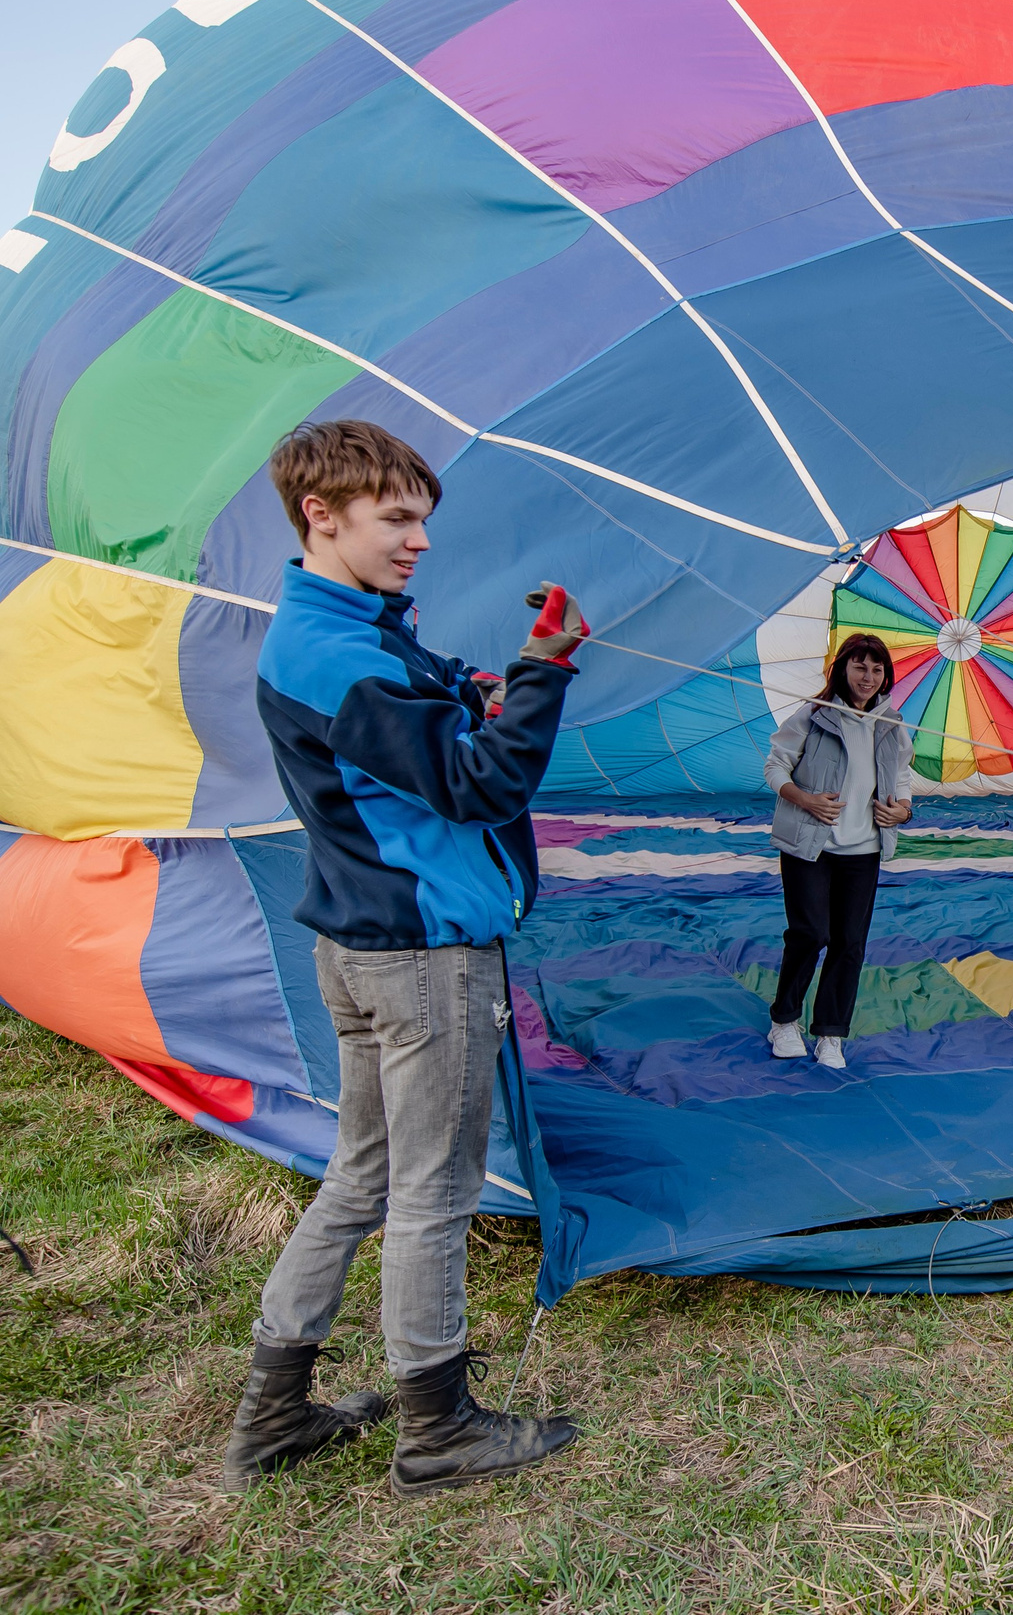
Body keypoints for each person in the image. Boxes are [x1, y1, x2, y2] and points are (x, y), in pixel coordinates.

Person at [230, 419, 583, 1496]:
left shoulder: (338, 629)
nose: (420, 538)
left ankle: (274, 1413)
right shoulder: (337, 656)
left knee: (362, 1178)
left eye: (424, 517)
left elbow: (414, 701)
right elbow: (480, 788)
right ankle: (437, 1430)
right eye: (396, 518)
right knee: (434, 1189)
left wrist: (474, 687)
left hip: (361, 949)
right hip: (424, 961)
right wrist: (538, 679)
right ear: (320, 517)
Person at [764, 633, 914, 1068]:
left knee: (850, 943)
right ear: (842, 669)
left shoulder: (892, 724)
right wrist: (803, 798)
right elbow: (776, 764)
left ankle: (831, 1032)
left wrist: (903, 810)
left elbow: (901, 776)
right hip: (810, 845)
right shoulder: (814, 715)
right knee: (810, 933)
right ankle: (785, 1020)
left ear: (886, 676)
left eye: (877, 669)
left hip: (863, 850)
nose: (868, 677)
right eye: (860, 667)